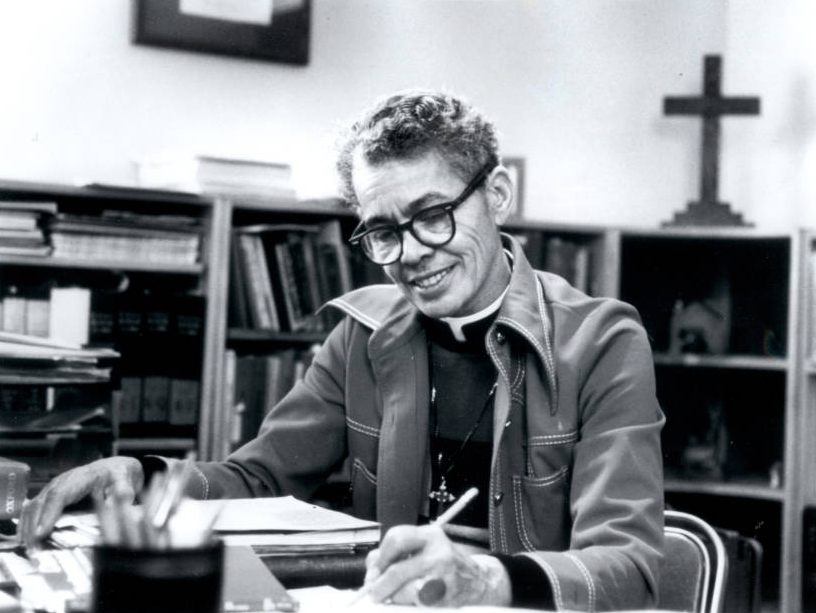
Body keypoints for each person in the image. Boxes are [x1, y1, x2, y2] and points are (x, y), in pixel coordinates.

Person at [18, 90, 665, 610]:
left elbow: (630, 568)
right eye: (382, 231)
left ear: (496, 195)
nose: (410, 253)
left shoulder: (601, 341)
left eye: (433, 214)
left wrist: (484, 579)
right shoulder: (361, 333)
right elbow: (261, 478)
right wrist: (145, 475)